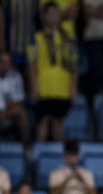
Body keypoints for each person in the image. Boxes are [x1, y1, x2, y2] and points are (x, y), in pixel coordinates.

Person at [26, 3, 77, 141]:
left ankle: (58, 155)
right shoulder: (37, 38)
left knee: (58, 120)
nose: (54, 17)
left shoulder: (67, 39)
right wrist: (34, 87)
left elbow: (74, 65)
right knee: (43, 120)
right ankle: (39, 153)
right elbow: (31, 64)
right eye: (50, 13)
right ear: (43, 17)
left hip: (62, 87)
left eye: (56, 13)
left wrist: (73, 88)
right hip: (44, 85)